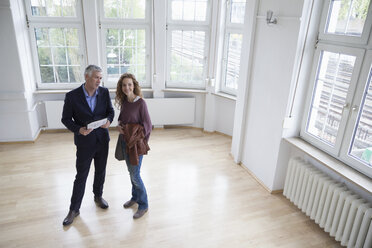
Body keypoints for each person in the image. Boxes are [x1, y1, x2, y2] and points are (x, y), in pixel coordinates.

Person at [61, 65, 115, 226]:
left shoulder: (104, 92)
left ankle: (98, 196)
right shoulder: (72, 96)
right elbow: (65, 119)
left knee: (101, 170)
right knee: (81, 175)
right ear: (86, 77)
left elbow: (110, 112)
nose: (99, 80)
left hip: (102, 140)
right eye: (96, 77)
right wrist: (79, 130)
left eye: (100, 77)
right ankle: (74, 209)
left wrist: (109, 121)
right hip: (84, 142)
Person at [115, 73, 152, 219]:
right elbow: (121, 119)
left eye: (129, 84)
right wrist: (118, 126)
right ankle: (135, 197)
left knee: (135, 175)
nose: (127, 87)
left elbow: (148, 126)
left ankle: (144, 204)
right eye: (124, 85)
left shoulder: (140, 103)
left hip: (136, 145)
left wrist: (142, 143)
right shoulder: (125, 102)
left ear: (134, 85)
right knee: (131, 172)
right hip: (125, 142)